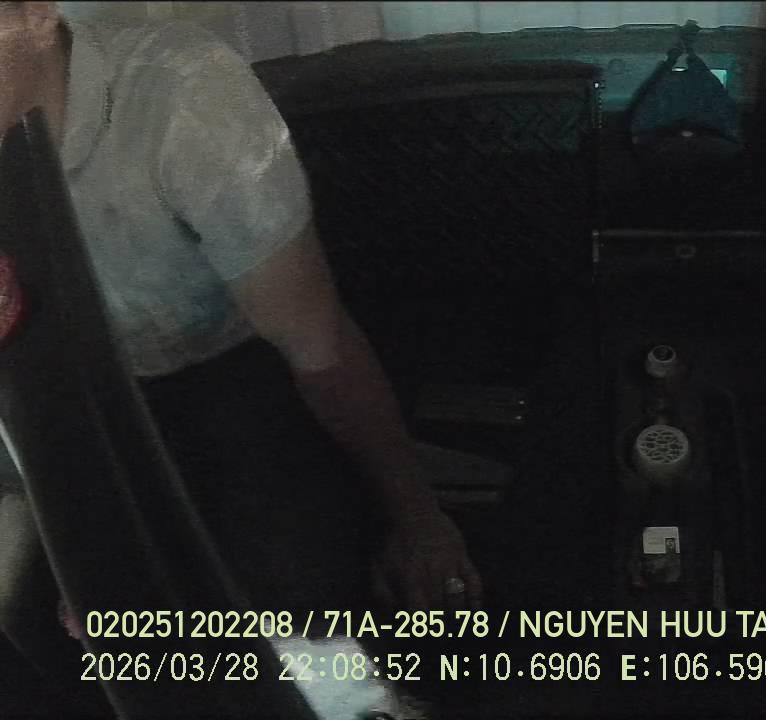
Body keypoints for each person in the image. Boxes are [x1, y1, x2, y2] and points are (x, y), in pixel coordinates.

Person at [0, 2, 481, 716]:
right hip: (61, 409)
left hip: (232, 369)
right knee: (37, 629)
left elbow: (318, 346)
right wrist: (77, 540)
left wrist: (417, 519)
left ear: (35, 15)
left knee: (281, 612)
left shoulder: (182, 98)